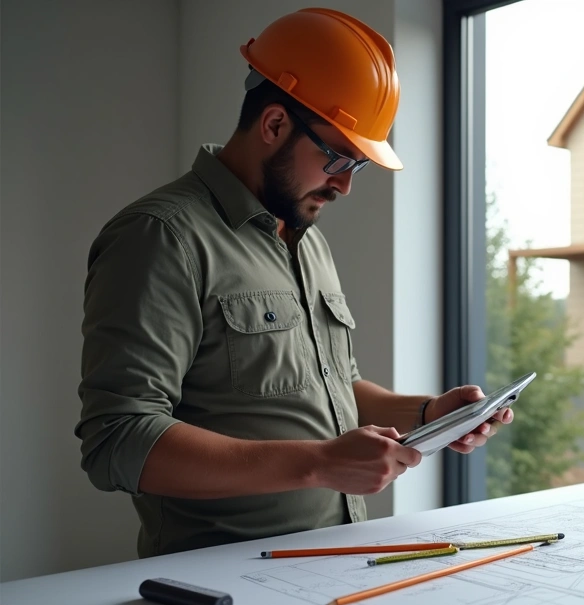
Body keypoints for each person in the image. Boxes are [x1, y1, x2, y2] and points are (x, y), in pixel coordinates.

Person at [74, 8, 510, 558]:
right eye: (336, 158)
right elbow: (117, 440)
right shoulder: (160, 237)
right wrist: (319, 463)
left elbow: (332, 391)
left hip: (334, 562)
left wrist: (427, 415)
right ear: (274, 124)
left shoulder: (305, 238)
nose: (345, 186)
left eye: (359, 165)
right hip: (218, 584)